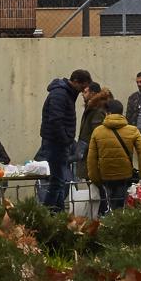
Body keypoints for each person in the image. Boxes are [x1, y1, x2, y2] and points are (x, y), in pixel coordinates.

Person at [38, 68, 92, 211]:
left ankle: (58, 213)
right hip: (56, 143)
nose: (82, 91)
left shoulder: (65, 93)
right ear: (75, 82)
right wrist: (66, 139)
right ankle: (47, 212)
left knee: (60, 181)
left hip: (58, 142)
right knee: (57, 181)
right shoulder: (60, 95)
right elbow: (56, 121)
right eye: (82, 87)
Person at [87, 100, 141, 215]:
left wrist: (95, 178)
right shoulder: (132, 130)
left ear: (108, 113)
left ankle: (111, 221)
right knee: (122, 202)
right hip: (125, 175)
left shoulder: (97, 131)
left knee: (108, 202)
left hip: (105, 175)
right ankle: (120, 221)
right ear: (121, 113)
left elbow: (91, 158)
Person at [75, 83, 112, 179]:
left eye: (85, 92)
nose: (82, 94)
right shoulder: (91, 107)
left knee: (94, 182)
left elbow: (98, 132)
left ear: (93, 93)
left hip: (92, 152)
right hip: (88, 149)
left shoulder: (97, 109)